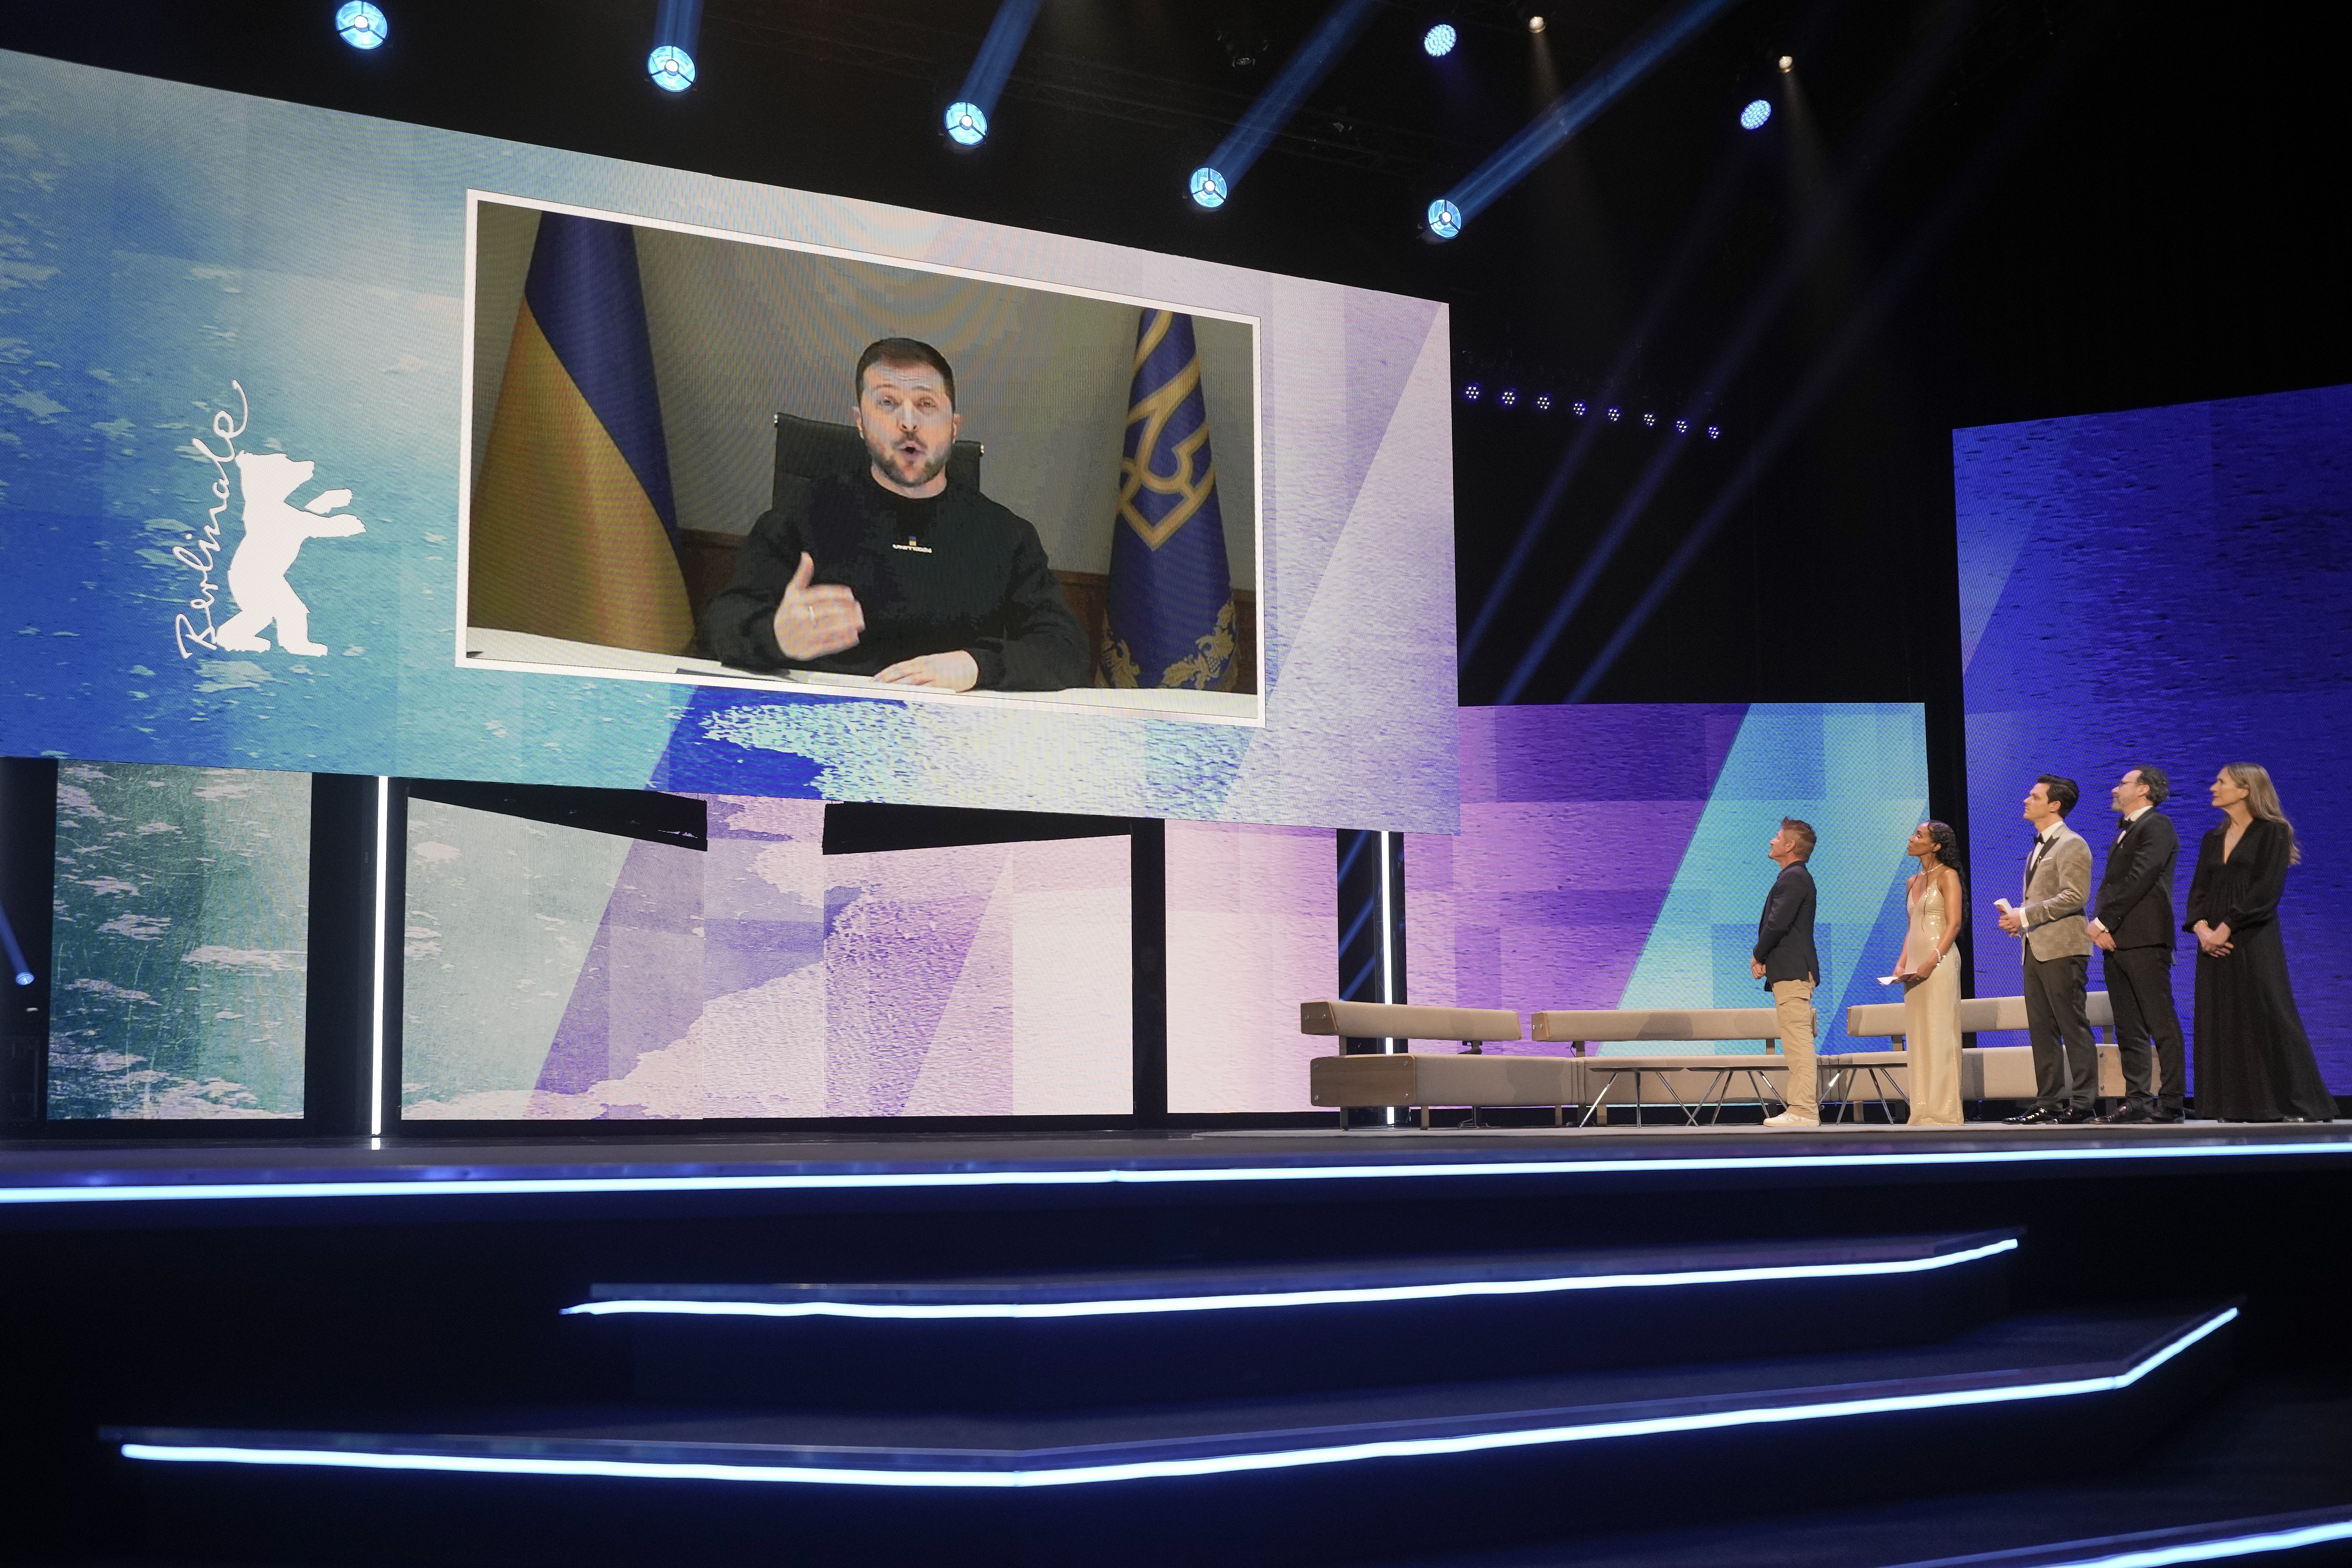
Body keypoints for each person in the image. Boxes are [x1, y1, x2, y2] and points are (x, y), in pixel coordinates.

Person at [701, 337, 1090, 692]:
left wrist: (976, 666)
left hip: (954, 723)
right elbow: (721, 623)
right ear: (860, 423)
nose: (908, 422)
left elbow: (1064, 649)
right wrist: (777, 636)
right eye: (887, 403)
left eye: (926, 404)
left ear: (954, 428)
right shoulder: (801, 515)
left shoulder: (1007, 535)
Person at [2183, 764, 2334, 1122]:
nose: (2213, 787)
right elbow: (2199, 891)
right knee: (2222, 1016)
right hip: (2212, 942)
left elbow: (2266, 890)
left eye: (2221, 782)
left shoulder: (2272, 832)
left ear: (2245, 790)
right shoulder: (2212, 838)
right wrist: (2203, 930)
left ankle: (2302, 1104)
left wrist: (2227, 927)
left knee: (2269, 1010)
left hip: (2253, 934)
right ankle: (2237, 1106)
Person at [2088, 765, 2186, 1123]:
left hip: (2145, 938)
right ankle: (2138, 1101)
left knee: (2161, 1022)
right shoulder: (2125, 831)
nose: (2115, 789)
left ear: (2143, 789)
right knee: (2129, 1026)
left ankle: (2172, 1101)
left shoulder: (2157, 826)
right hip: (2116, 940)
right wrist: (2101, 927)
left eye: (2123, 783)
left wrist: (2102, 921)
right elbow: (2111, 885)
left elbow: (2139, 878)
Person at [1999, 775, 2098, 1124]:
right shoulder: (2037, 848)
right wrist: (2020, 921)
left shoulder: (2072, 843)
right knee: (2041, 1028)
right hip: (2035, 947)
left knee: (2072, 1023)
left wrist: (2025, 915)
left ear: (2055, 805)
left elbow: (2075, 896)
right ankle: (2049, 1102)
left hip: (2063, 948)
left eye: (2034, 796)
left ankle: (2083, 1102)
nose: (2026, 800)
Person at [1892, 821, 1966, 1127]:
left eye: (1919, 836)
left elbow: (1954, 923)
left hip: (1940, 962)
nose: (1912, 839)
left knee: (1940, 1034)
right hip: (1915, 966)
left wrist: (1932, 961)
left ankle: (1944, 1112)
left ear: (1935, 846)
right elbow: (1912, 929)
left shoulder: (1948, 876)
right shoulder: (1912, 881)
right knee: (1919, 1037)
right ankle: (1922, 1110)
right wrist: (1902, 964)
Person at [1755, 818, 1822, 1129]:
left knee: (1798, 1043)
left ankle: (1804, 1110)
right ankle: (1802, 1109)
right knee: (1796, 1042)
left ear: (1790, 845)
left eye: (1778, 837)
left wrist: (1759, 954)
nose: (1772, 841)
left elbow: (1777, 923)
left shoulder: (1794, 877)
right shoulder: (1793, 876)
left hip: (1794, 971)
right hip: (1789, 970)